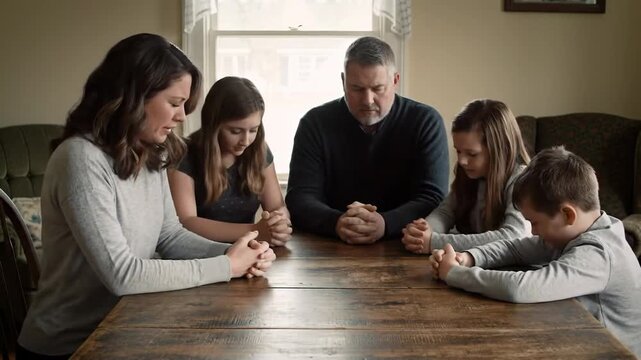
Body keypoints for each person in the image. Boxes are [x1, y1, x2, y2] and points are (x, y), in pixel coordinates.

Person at [17, 33, 276, 358]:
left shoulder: (151, 153)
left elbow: (169, 236)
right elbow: (121, 274)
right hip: (69, 347)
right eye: (174, 103)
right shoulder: (80, 159)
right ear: (133, 98)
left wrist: (241, 252)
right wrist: (226, 266)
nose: (182, 117)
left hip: (128, 332)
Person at [429, 146, 641, 357]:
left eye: (535, 222)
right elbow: (514, 248)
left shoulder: (599, 253)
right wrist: (467, 258)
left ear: (568, 215)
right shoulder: (574, 233)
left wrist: (454, 274)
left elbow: (520, 288)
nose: (533, 231)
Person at [286, 36, 449, 244]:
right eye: (357, 88)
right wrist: (336, 222)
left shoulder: (425, 121)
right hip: (327, 245)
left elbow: (433, 198)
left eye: (377, 88)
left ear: (395, 81)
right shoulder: (315, 123)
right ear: (343, 82)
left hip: (406, 244)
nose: (368, 100)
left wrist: (385, 223)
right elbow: (300, 198)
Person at [168, 76, 292, 247]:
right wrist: (255, 230)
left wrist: (279, 223)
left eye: (253, 130)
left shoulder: (259, 151)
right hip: (199, 254)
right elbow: (186, 222)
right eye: (235, 131)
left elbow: (276, 206)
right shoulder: (185, 155)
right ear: (214, 125)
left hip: (250, 250)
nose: (246, 140)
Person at [402, 99, 531, 254]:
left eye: (472, 153)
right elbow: (445, 212)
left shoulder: (522, 180)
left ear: (500, 150)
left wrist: (434, 242)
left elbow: (514, 236)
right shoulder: (470, 174)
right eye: (458, 151)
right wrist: (423, 231)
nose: (462, 161)